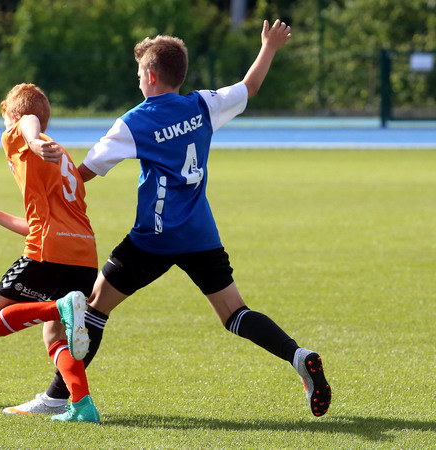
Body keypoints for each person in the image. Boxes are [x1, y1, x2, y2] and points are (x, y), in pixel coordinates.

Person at [71, 19, 331, 417]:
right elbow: (249, 87)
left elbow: (84, 173)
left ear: (151, 76)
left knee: (95, 306)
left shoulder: (135, 121)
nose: (138, 81)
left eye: (139, 74)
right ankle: (299, 356)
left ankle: (60, 396)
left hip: (154, 237)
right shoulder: (203, 104)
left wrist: (45, 174)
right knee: (234, 312)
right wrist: (269, 47)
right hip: (200, 233)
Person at [0, 83, 105, 423]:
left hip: (49, 251)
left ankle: (61, 307)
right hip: (84, 254)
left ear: (10, 116)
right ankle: (81, 404)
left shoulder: (21, 136)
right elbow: (38, 223)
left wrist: (33, 138)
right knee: (54, 334)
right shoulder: (61, 156)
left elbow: (26, 120)